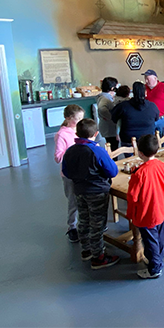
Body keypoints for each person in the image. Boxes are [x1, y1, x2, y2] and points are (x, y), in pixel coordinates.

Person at [62, 119, 120, 269]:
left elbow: (67, 172)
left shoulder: (70, 151)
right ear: (96, 133)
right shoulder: (97, 151)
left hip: (80, 191)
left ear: (77, 133)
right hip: (97, 192)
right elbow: (112, 171)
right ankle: (98, 256)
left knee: (84, 219)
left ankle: (86, 249)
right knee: (97, 224)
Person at [126, 134, 164, 279]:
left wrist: (131, 213)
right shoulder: (162, 166)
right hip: (161, 208)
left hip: (146, 213)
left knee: (150, 242)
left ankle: (154, 268)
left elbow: (132, 196)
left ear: (140, 152)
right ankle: (158, 259)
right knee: (159, 236)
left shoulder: (139, 173)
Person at [54, 104, 85, 243]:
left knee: (83, 198)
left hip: (81, 171)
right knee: (73, 201)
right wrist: (73, 152)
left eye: (81, 119)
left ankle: (84, 225)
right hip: (69, 174)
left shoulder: (78, 130)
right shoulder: (62, 134)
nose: (80, 122)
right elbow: (58, 157)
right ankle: (72, 227)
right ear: (68, 118)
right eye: (77, 119)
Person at [111, 81, 159, 149]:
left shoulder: (123, 106)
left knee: (130, 158)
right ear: (145, 92)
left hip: (128, 140)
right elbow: (156, 118)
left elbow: (114, 118)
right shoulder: (152, 106)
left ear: (133, 93)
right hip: (148, 140)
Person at [142, 70, 164, 145]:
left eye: (148, 79)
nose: (146, 81)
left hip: (162, 119)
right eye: (145, 78)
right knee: (150, 142)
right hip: (149, 120)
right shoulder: (144, 88)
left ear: (155, 78)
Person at [97, 77, 119, 150]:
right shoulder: (105, 99)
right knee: (113, 148)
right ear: (112, 88)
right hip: (109, 128)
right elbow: (102, 109)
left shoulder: (104, 97)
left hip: (108, 127)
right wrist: (112, 117)